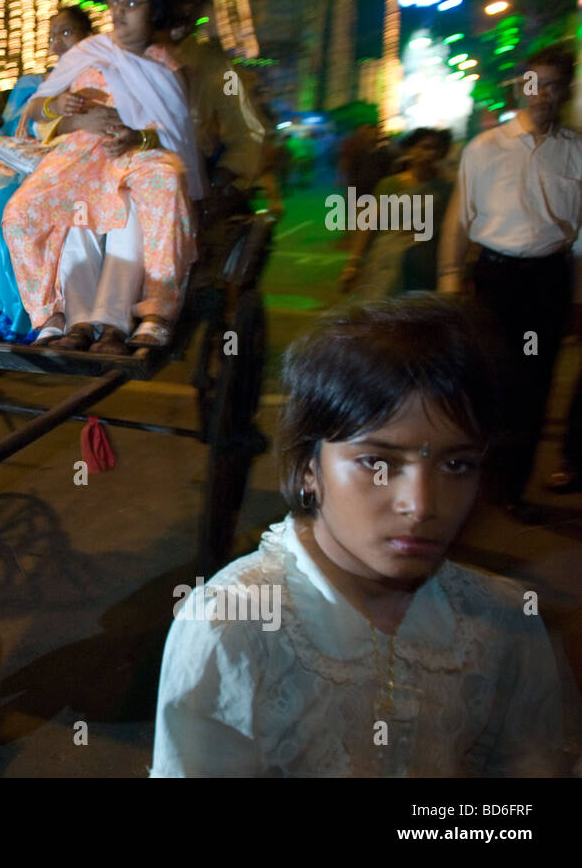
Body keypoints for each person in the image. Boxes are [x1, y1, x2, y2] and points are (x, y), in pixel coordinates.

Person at [151, 295, 567, 776]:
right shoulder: (232, 626)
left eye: (457, 465)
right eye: (378, 462)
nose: (422, 504)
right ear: (310, 466)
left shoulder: (503, 620)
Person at [1, 0, 204, 356]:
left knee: (162, 182)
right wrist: (62, 107)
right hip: (80, 156)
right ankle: (51, 317)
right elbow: (37, 111)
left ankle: (156, 313)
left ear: (155, 10)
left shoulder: (167, 65)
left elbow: (175, 134)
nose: (119, 12)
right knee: (20, 213)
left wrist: (136, 136)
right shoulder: (88, 52)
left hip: (136, 155)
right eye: (114, 3)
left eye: (132, 2)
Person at [438, 44, 582, 510]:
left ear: (565, 91)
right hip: (495, 280)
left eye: (553, 85)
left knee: (536, 383)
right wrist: (449, 280)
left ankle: (512, 488)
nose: (542, 94)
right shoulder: (485, 148)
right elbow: (460, 218)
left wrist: (578, 296)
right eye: (533, 83)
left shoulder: (576, 152)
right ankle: (472, 481)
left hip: (548, 282)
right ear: (521, 87)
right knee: (484, 379)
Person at [0, 6, 94, 341]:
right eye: (52, 36)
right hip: (25, 165)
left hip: (74, 166)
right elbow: (12, 132)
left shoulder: (99, 78)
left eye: (67, 33)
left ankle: (41, 310)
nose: (57, 44)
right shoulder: (33, 83)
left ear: (87, 37)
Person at [161, 0, 267, 279]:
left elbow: (248, 130)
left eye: (198, 0)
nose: (188, 9)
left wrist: (224, 180)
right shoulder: (126, 51)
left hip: (185, 186)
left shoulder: (216, 66)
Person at [340, 127, 453, 298]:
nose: (430, 153)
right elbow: (368, 224)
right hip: (388, 264)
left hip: (427, 268)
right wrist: (353, 264)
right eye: (425, 147)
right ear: (409, 149)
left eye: (435, 148)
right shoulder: (390, 185)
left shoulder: (446, 189)